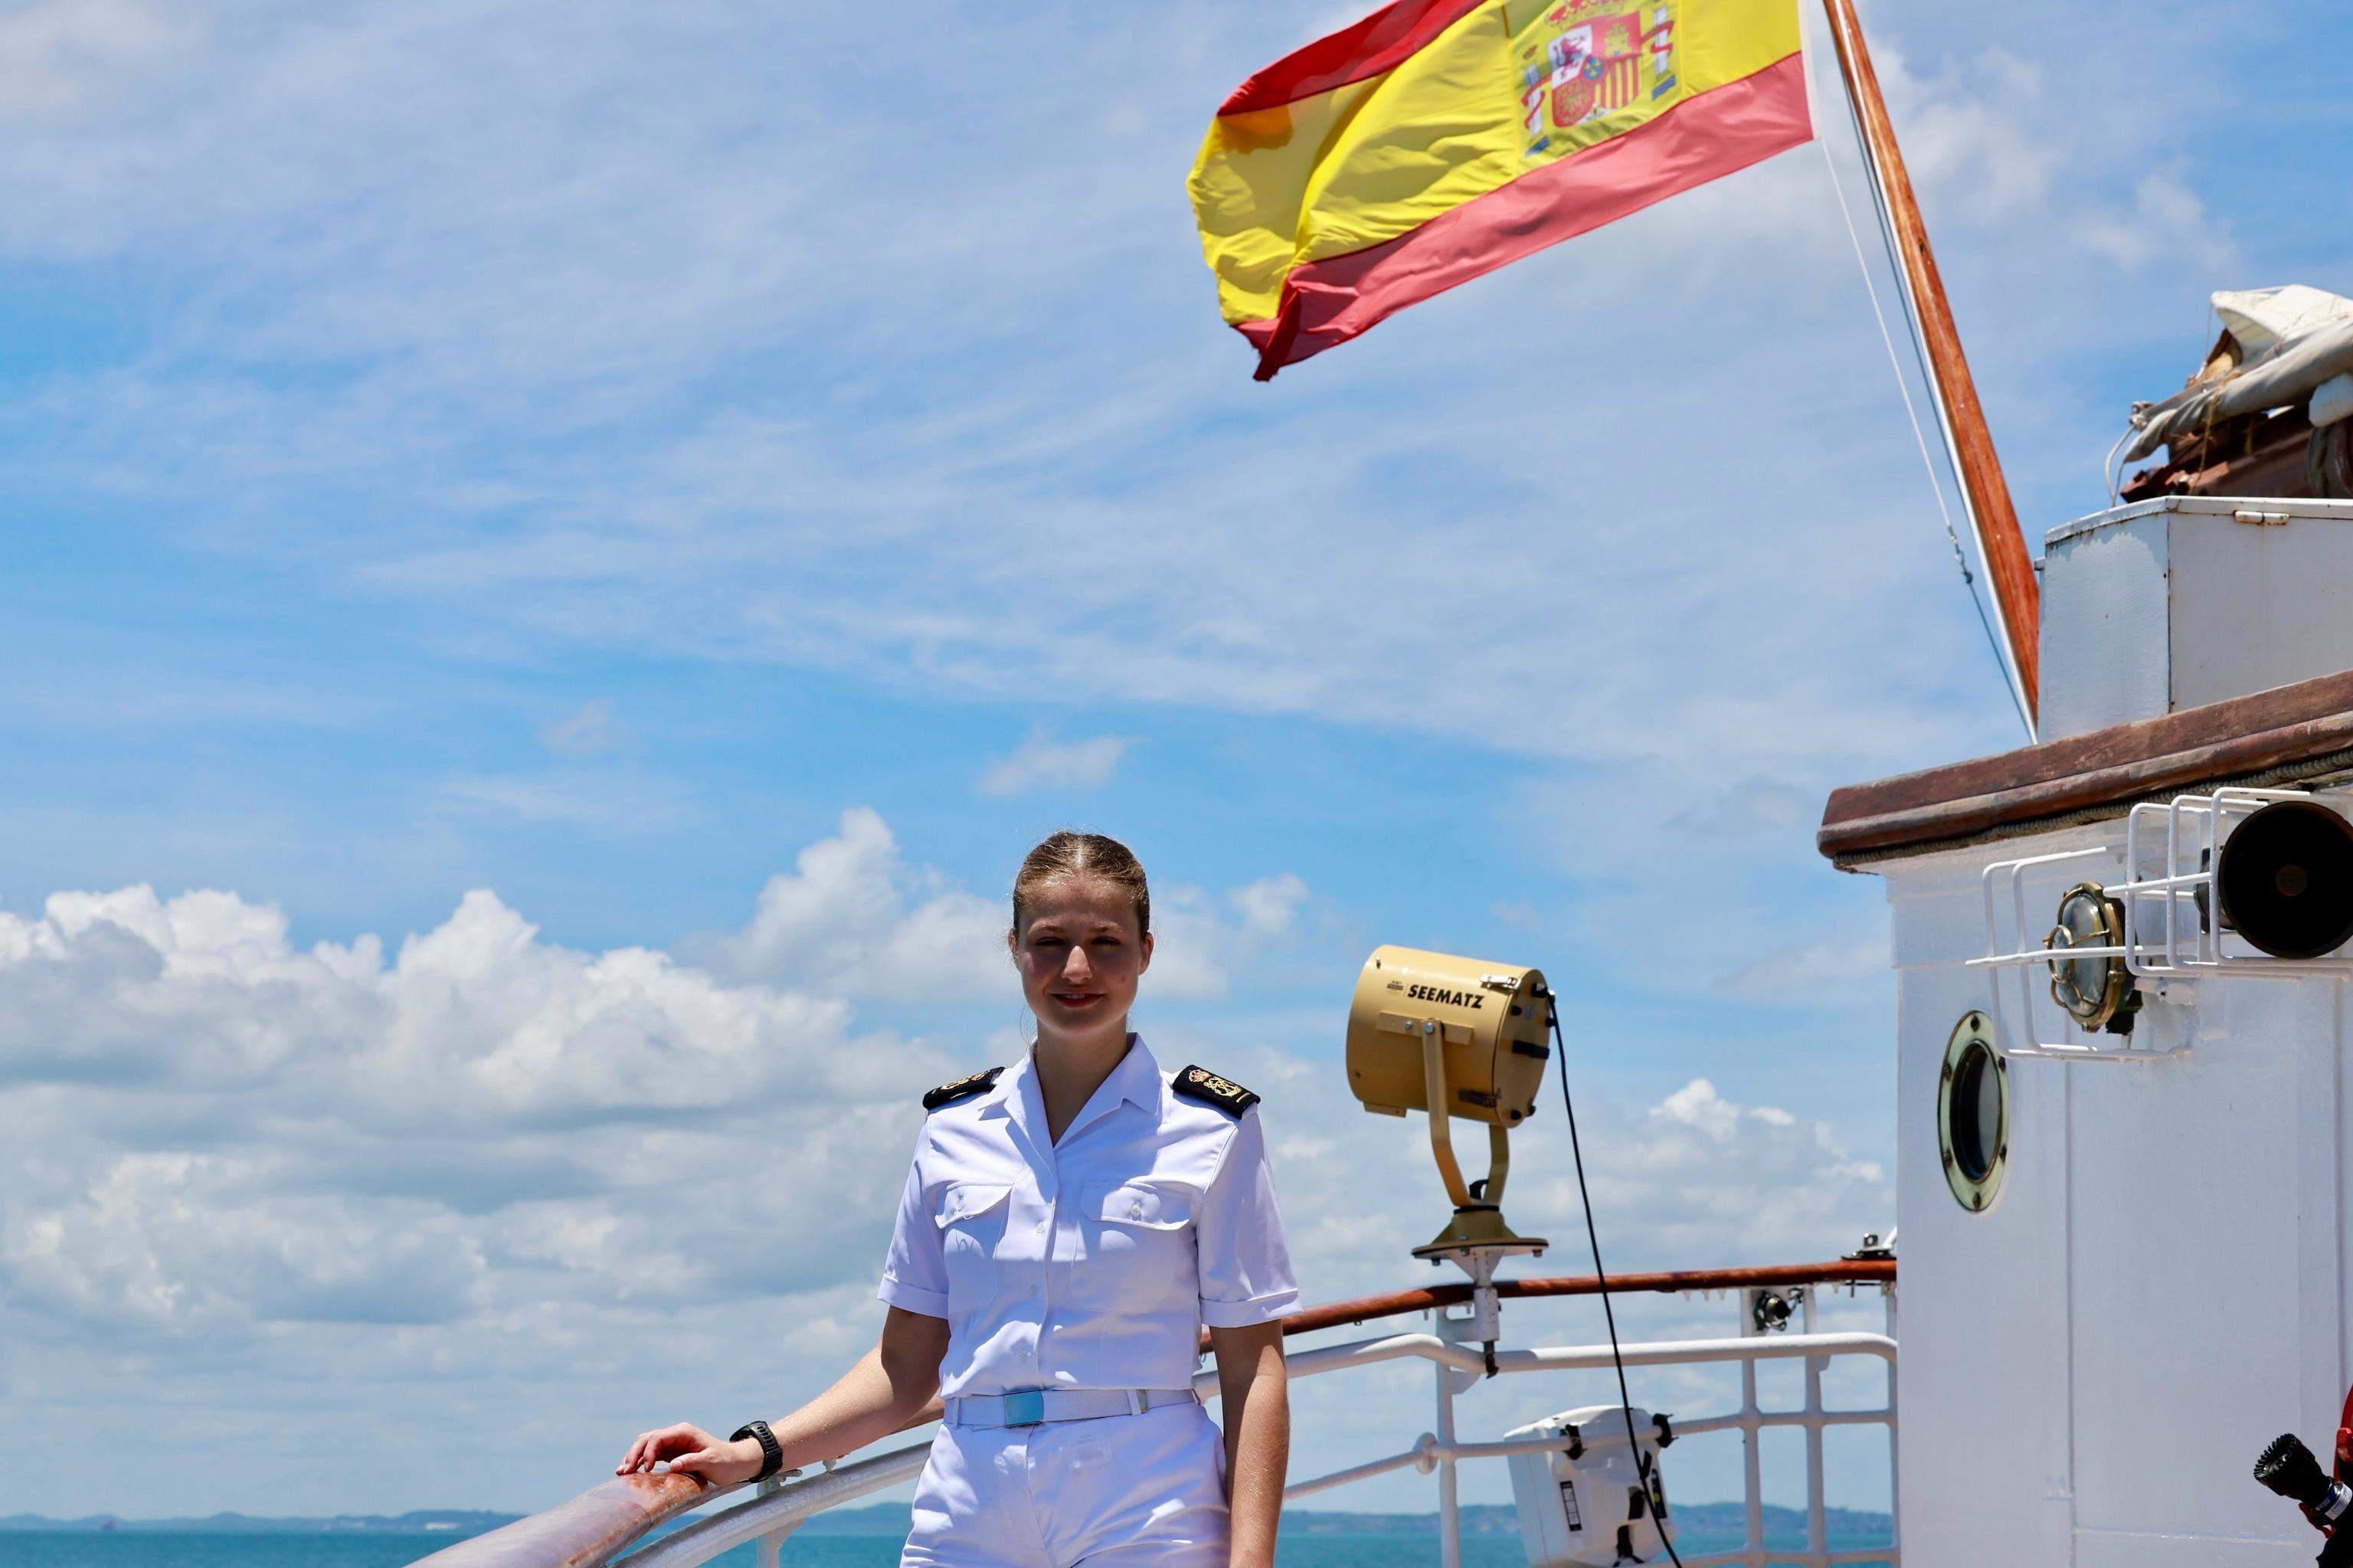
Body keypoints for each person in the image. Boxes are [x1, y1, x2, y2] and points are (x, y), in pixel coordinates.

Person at [617, 830, 1298, 1568]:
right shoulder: (953, 1129)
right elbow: (906, 1362)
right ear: (1013, 949)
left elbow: (1251, 1369)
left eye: (1106, 941)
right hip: (970, 1504)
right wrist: (758, 1450)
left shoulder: (1211, 1129)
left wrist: (1250, 1560)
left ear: (1147, 951)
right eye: (1049, 941)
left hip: (1144, 1500)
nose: (1077, 967)